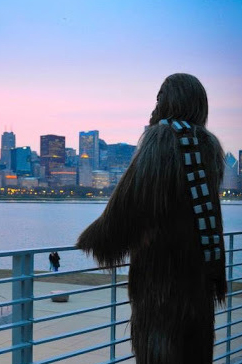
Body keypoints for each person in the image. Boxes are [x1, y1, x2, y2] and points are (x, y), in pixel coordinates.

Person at [76, 73, 226, 364]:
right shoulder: (208, 146)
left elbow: (128, 206)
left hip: (161, 277)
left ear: (172, 100)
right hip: (198, 276)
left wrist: (92, 239)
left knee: (160, 350)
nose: (154, 106)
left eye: (160, 98)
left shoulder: (161, 139)